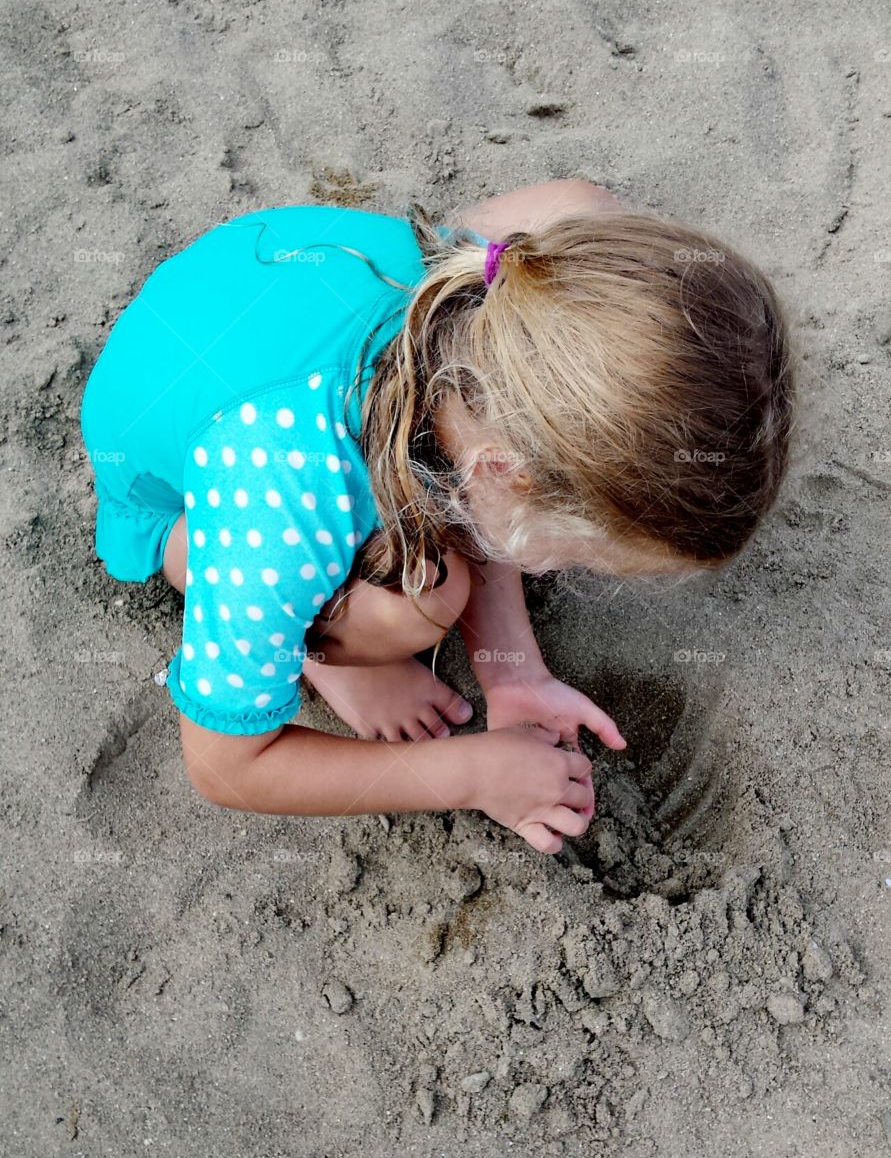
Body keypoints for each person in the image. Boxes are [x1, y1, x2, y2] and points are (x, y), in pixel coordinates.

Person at [79, 178, 793, 854]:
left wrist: (512, 672)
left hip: (250, 284)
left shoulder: (518, 286)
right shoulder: (279, 490)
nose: (572, 570)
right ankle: (321, 650)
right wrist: (469, 772)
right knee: (425, 597)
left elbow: (486, 490)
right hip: (170, 479)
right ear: (500, 469)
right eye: (578, 560)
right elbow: (228, 768)